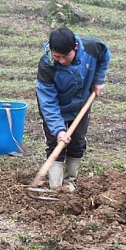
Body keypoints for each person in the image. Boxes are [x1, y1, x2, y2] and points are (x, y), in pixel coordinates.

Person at [35, 26, 111, 191]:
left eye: (65, 56)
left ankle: (69, 182)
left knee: (77, 142)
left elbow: (105, 55)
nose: (61, 61)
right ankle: (56, 186)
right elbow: (48, 103)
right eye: (57, 56)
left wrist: (98, 80)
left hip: (81, 104)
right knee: (56, 143)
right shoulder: (47, 67)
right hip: (56, 109)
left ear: (75, 48)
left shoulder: (92, 47)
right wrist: (59, 130)